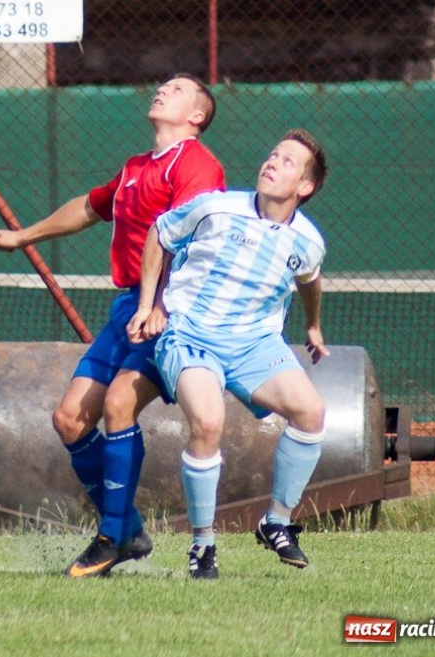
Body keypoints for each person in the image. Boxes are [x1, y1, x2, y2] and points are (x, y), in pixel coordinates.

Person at [0, 74, 225, 577]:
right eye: (163, 84)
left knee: (118, 403)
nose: (162, 89)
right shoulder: (136, 168)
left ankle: (111, 535)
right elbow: (91, 207)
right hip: (129, 307)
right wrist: (23, 236)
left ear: (196, 116)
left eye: (177, 89)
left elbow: (194, 241)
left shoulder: (198, 165)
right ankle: (129, 528)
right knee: (70, 419)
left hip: (173, 310)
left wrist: (158, 303)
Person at [127, 128, 328, 579]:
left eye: (288, 162)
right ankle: (202, 546)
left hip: (254, 343)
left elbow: (310, 279)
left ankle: (276, 522)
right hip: (191, 334)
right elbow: (160, 235)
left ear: (305, 186)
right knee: (209, 422)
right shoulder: (215, 207)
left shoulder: (308, 242)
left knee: (311, 412)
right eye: (272, 154)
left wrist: (312, 325)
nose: (272, 162)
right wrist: (149, 305)